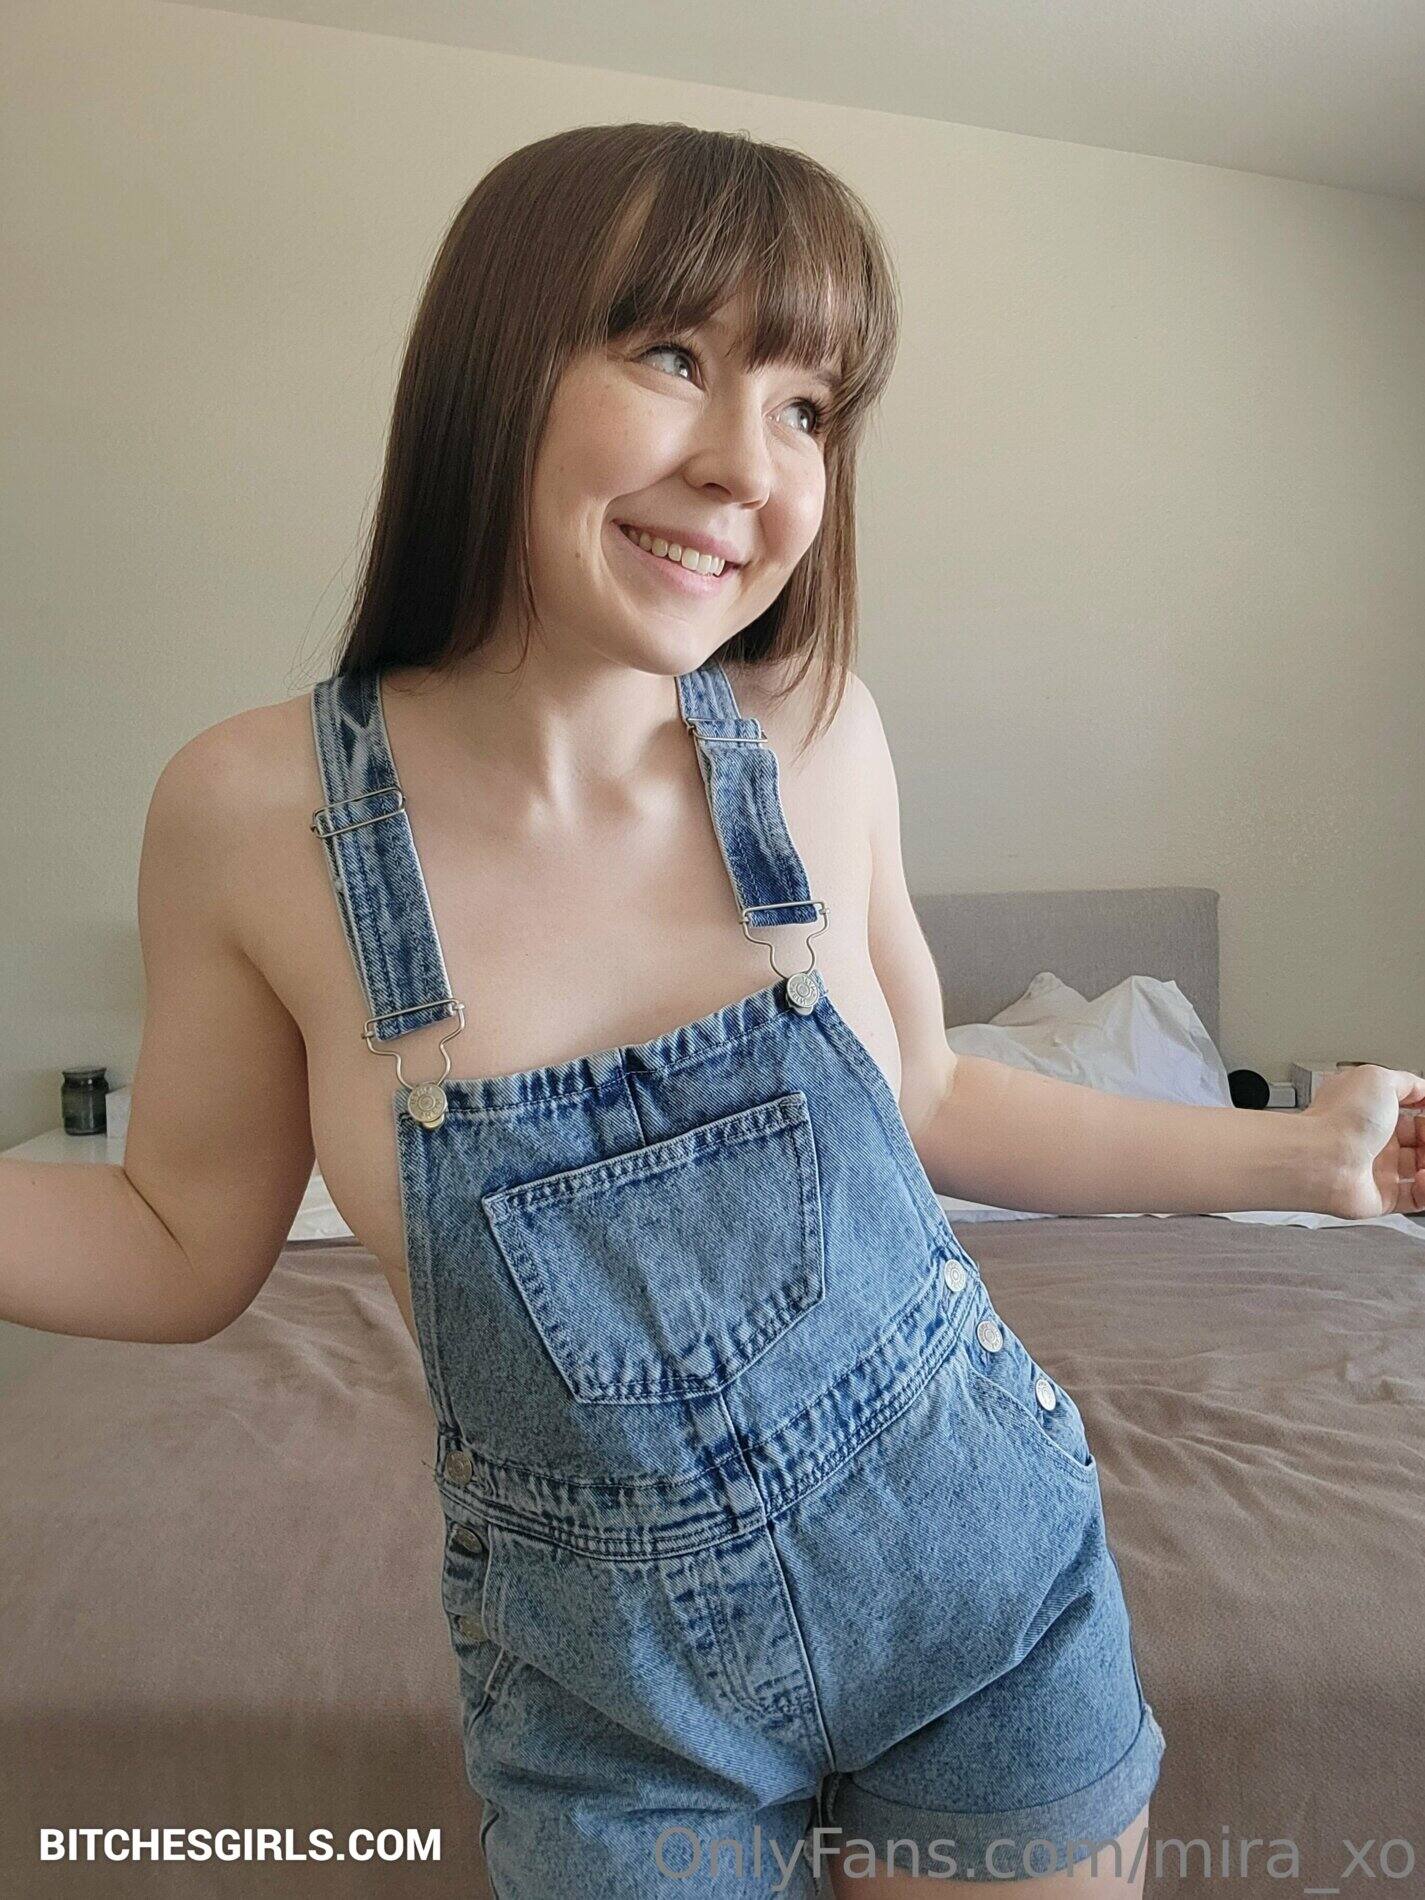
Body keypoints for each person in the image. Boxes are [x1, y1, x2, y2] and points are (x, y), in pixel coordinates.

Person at [10, 119, 1418, 1899]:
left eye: (807, 406)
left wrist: (1307, 1160)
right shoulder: (248, 816)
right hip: (610, 1706)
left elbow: (932, 1096)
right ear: (493, 368)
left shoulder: (820, 731)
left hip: (981, 1590)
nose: (748, 466)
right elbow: (174, 1238)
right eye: (673, 356)